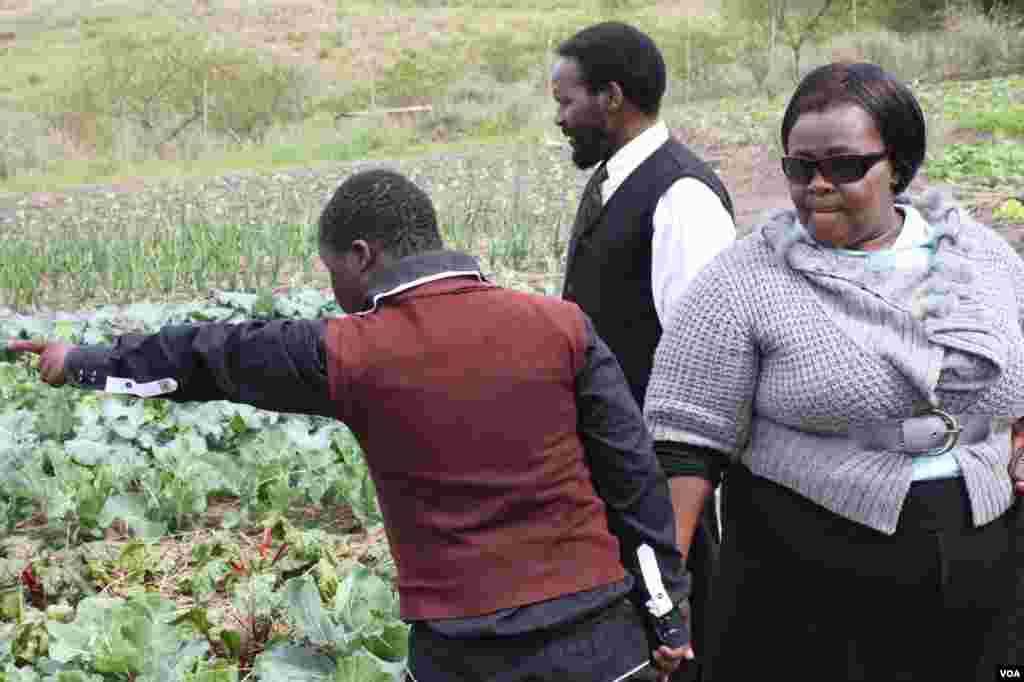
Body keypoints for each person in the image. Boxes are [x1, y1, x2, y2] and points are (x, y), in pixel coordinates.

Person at [9, 169, 692, 682]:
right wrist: (666, 614)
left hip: (463, 652)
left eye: (332, 271)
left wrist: (82, 362)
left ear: (363, 254)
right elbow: (633, 481)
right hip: (598, 642)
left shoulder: (349, 351)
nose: (334, 290)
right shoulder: (561, 326)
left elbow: (206, 357)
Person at [642, 62, 1024, 680]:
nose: (817, 184)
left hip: (987, 558)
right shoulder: (743, 280)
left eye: (844, 166)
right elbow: (685, 445)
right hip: (806, 570)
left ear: (897, 164)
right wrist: (667, 591)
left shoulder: (981, 255)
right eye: (800, 167)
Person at [552, 22, 736, 680]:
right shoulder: (615, 179)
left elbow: (707, 362)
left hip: (661, 483)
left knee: (681, 643)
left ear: (611, 96)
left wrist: (675, 502)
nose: (560, 118)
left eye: (565, 100)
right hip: (621, 471)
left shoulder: (681, 195)